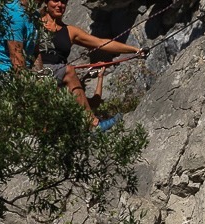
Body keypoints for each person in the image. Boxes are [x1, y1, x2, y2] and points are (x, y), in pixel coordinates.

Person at [39, 0, 146, 130]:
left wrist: (134, 50)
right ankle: (93, 124)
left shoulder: (70, 31)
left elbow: (101, 43)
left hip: (58, 76)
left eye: (64, 2)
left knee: (85, 101)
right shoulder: (34, 23)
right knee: (69, 71)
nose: (60, 5)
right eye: (55, 0)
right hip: (40, 71)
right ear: (46, 2)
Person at [0, 0, 40, 73]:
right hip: (5, 73)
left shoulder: (35, 15)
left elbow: (35, 52)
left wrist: (41, 75)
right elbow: (16, 60)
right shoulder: (15, 15)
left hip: (26, 70)